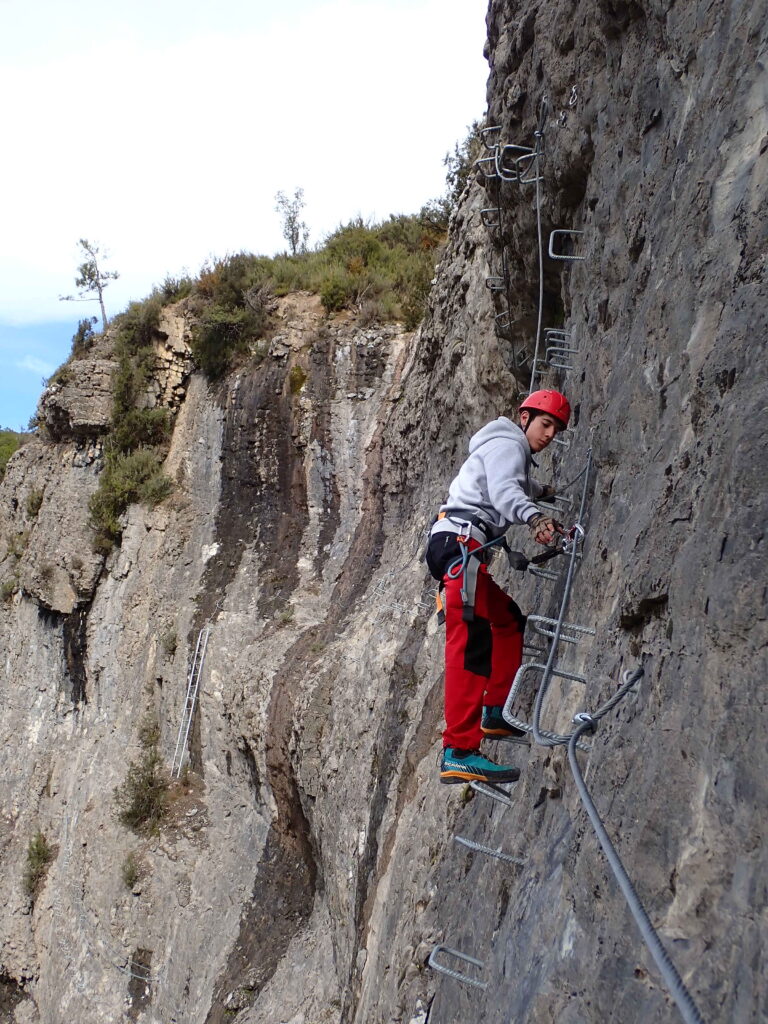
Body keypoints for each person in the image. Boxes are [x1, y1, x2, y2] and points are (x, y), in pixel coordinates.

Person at [425, 389, 571, 785]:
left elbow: (512, 482)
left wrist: (541, 491)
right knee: (471, 642)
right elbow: (507, 492)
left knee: (508, 620)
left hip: (456, 546)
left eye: (555, 430)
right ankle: (459, 751)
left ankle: (494, 713)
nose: (549, 435)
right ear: (524, 418)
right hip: (462, 544)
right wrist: (535, 516)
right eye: (545, 424)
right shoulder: (509, 445)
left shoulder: (505, 449)